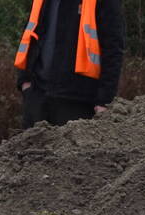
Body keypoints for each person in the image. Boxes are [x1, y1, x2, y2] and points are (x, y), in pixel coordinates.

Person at [14, 0, 125, 128]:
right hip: (37, 98)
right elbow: (30, 32)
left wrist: (105, 101)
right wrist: (25, 81)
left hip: (78, 103)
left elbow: (113, 49)